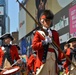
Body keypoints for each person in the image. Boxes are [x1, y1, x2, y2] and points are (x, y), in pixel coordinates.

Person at [32, 9, 63, 75]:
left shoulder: (55, 33)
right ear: (42, 21)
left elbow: (58, 49)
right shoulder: (38, 33)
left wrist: (59, 62)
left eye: (49, 20)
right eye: (46, 20)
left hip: (54, 60)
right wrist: (44, 42)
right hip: (43, 60)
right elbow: (34, 46)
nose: (48, 22)